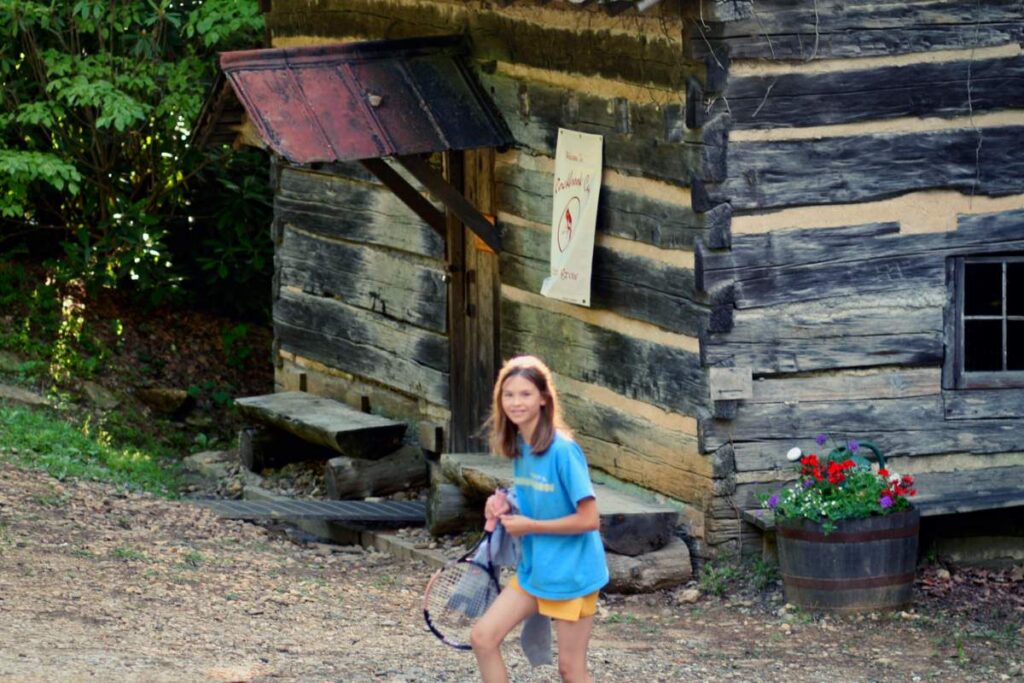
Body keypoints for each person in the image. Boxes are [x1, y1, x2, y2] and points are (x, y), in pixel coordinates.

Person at [470, 355, 609, 683]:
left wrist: (531, 527)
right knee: (483, 638)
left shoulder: (563, 451)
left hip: (572, 573)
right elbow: (536, 496)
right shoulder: (520, 443)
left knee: (571, 670)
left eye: (525, 394)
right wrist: (501, 502)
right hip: (536, 568)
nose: (516, 402)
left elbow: (590, 520)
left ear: (544, 399)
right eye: (509, 395)